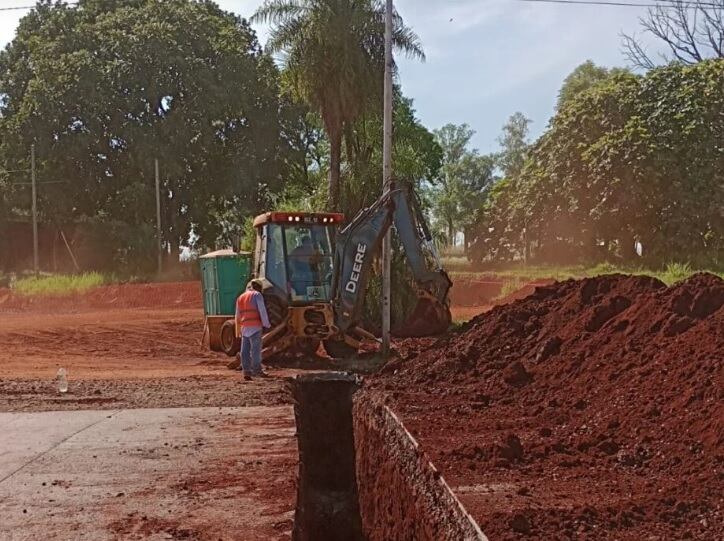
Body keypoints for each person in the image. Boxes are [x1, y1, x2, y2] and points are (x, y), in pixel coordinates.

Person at [235, 279, 271, 380]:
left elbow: (237, 315)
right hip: (255, 327)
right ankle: (257, 370)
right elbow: (262, 310)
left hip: (245, 327)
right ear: (258, 287)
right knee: (255, 350)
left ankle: (246, 372)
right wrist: (266, 324)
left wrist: (239, 328)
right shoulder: (257, 295)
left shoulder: (240, 297)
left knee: (244, 351)